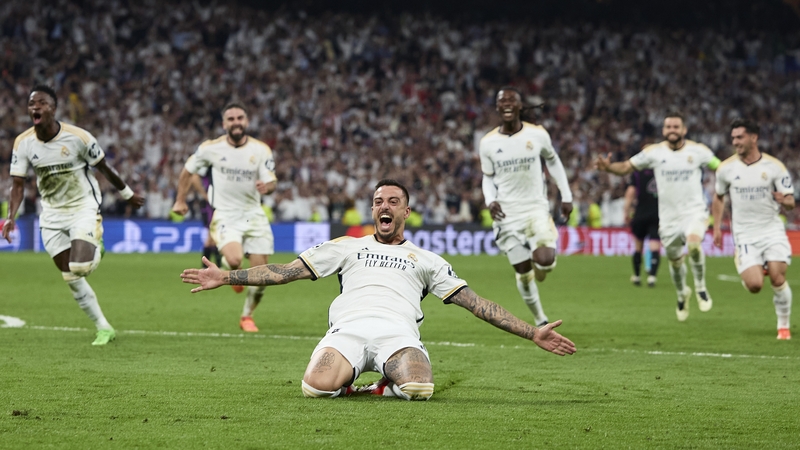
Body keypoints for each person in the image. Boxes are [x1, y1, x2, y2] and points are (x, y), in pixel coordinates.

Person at [180, 179, 576, 400]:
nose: (383, 206)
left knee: (420, 388)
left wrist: (532, 331)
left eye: (393, 201)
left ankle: (386, 385)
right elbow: (285, 271)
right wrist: (224, 277)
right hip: (347, 330)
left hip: (398, 334)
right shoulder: (347, 246)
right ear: (373, 211)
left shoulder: (427, 260)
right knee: (312, 389)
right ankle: (354, 378)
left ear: (405, 211)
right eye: (377, 202)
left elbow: (477, 305)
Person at [2, 85, 145, 345]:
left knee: (80, 266)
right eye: (32, 103)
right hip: (52, 214)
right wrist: (11, 216)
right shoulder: (23, 143)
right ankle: (104, 327)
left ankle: (97, 245)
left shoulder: (78, 137)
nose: (36, 107)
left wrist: (127, 194)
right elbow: (18, 184)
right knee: (70, 276)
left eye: (42, 103)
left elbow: (104, 167)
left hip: (82, 207)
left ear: (53, 108)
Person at [595, 112, 720, 321]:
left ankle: (700, 287)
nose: (672, 130)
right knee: (675, 261)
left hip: (694, 211)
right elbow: (626, 167)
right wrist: (609, 167)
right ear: (663, 130)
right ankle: (682, 294)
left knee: (694, 244)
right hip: (668, 218)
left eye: (676, 126)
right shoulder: (654, 153)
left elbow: (720, 166)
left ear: (684, 130)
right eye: (668, 127)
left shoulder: (699, 151)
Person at [171, 102, 277, 333]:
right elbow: (188, 170)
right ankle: (233, 275)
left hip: (254, 214)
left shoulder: (261, 150)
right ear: (224, 124)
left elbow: (272, 181)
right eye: (231, 119)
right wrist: (180, 200)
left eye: (240, 118)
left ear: (246, 121)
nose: (236, 122)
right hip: (227, 213)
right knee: (236, 260)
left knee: (262, 276)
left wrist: (266, 187)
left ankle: (247, 315)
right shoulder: (211, 148)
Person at [479, 87, 573, 327]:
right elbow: (487, 177)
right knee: (522, 269)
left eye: (512, 100)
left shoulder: (538, 134)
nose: (507, 104)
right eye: (502, 101)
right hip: (507, 214)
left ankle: (539, 266)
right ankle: (541, 319)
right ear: (498, 107)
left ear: (520, 106)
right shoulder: (488, 142)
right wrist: (490, 200)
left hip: (535, 209)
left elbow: (553, 161)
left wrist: (566, 195)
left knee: (545, 261)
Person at [712, 119, 794, 340]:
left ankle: (783, 326)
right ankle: (751, 267)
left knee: (777, 278)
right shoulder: (726, 168)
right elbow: (718, 197)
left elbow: (790, 201)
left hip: (772, 231)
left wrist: (784, 201)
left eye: (740, 137)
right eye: (733, 138)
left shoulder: (774, 167)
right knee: (755, 285)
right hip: (745, 234)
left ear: (753, 138)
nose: (735, 142)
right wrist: (717, 227)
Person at [623, 168, 661, 287]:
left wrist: (626, 212)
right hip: (657, 214)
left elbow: (630, 193)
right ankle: (652, 277)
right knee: (655, 246)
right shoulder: (662, 170)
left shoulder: (638, 173)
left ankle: (637, 276)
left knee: (638, 246)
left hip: (641, 214)